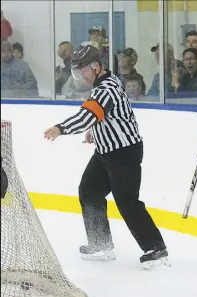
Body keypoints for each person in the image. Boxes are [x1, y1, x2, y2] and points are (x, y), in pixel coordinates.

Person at [43, 44, 168, 269]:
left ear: (96, 66)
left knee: (127, 201)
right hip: (105, 152)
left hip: (124, 153)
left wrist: (60, 128)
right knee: (89, 191)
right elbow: (103, 115)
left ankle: (156, 250)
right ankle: (100, 244)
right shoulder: (102, 84)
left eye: (83, 70)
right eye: (77, 71)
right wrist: (95, 130)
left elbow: (86, 116)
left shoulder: (106, 88)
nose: (81, 75)